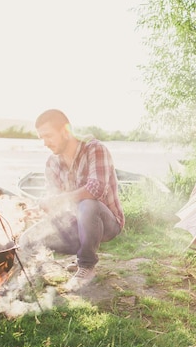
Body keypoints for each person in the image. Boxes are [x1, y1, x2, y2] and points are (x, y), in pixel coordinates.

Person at [20, 109, 125, 291]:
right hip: (76, 223)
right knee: (26, 238)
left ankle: (86, 265)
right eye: (41, 138)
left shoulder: (95, 149)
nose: (45, 143)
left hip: (107, 223)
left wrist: (59, 200)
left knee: (88, 204)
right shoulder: (51, 163)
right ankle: (33, 271)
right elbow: (55, 201)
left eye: (48, 136)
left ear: (66, 131)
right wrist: (41, 209)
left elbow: (95, 189)